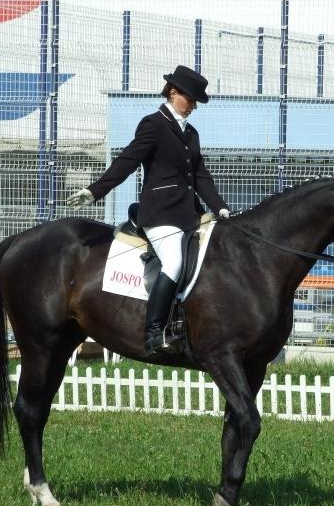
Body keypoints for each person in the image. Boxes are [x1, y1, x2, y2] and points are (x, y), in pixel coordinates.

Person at [66, 65, 231, 356]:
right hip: (160, 214)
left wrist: (220, 207)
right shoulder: (153, 124)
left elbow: (200, 175)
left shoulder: (191, 133)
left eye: (196, 101)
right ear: (173, 92)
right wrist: (95, 190)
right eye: (190, 99)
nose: (193, 106)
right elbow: (128, 160)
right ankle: (154, 331)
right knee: (174, 263)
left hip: (190, 215)